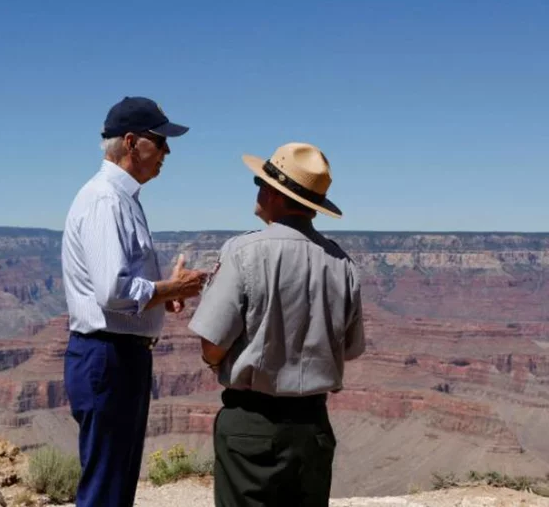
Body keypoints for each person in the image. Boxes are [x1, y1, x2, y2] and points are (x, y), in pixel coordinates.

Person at [188, 142, 366, 507]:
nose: (257, 189)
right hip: (312, 427)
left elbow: (212, 344)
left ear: (276, 194)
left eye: (260, 182)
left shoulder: (242, 253)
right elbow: (350, 348)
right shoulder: (342, 264)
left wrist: (214, 363)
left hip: (252, 427)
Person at [62, 96, 208, 506]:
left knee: (116, 485)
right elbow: (113, 291)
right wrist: (170, 290)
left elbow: (122, 288)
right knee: (106, 490)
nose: (167, 151)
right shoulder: (106, 200)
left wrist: (161, 296)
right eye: (160, 141)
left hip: (120, 356)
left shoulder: (122, 199)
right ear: (131, 143)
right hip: (107, 358)